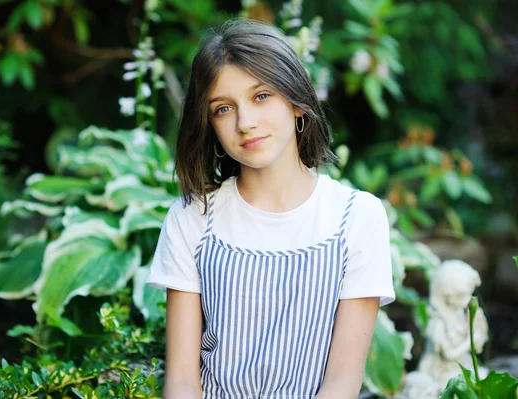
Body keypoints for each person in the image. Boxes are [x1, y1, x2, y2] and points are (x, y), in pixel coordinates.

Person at [147, 18, 395, 399]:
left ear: (297, 103)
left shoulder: (357, 217)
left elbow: (342, 382)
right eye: (223, 109)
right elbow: (181, 380)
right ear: (209, 123)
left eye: (261, 96)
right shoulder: (192, 218)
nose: (246, 122)